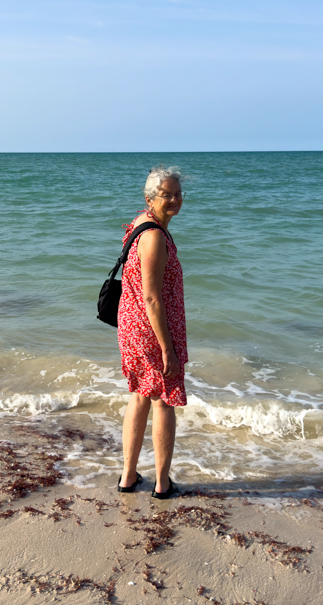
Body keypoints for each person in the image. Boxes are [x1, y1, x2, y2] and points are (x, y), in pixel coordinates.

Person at [116, 166, 187, 499]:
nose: (174, 200)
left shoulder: (140, 224)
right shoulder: (155, 236)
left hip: (132, 326)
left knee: (140, 398)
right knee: (162, 402)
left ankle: (128, 478)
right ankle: (162, 482)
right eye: (166, 195)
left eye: (177, 193)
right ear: (150, 198)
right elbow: (152, 297)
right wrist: (168, 349)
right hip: (151, 331)